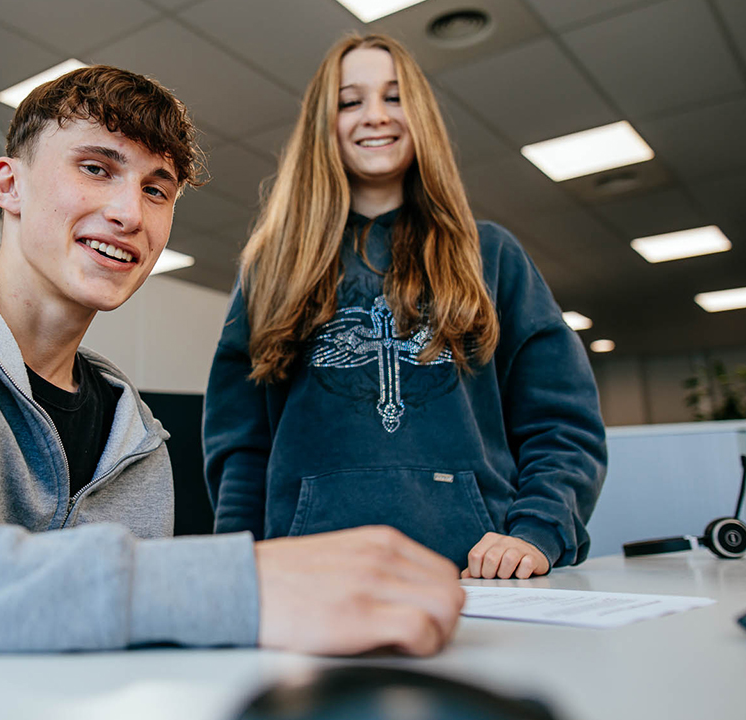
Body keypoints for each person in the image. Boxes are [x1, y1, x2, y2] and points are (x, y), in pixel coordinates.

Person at [0, 64, 465, 662]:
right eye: (95, 168)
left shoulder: (134, 438)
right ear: (9, 185)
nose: (129, 214)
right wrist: (228, 587)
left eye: (155, 189)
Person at [203, 34, 607, 581]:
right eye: (350, 101)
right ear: (324, 124)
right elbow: (241, 444)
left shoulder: (490, 255)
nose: (375, 115)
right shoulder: (273, 265)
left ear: (421, 116)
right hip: (309, 580)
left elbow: (562, 421)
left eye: (394, 97)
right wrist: (237, 563)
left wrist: (538, 529)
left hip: (476, 578)